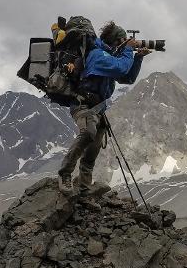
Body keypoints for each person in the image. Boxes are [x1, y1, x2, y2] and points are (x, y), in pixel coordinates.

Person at [58, 21, 151, 206]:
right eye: (124, 40)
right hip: (83, 105)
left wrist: (138, 58)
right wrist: (128, 50)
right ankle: (65, 174)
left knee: (92, 151)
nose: (128, 43)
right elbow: (121, 68)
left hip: (99, 109)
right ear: (116, 41)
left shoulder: (109, 56)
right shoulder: (97, 55)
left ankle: (84, 191)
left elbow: (128, 77)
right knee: (88, 133)